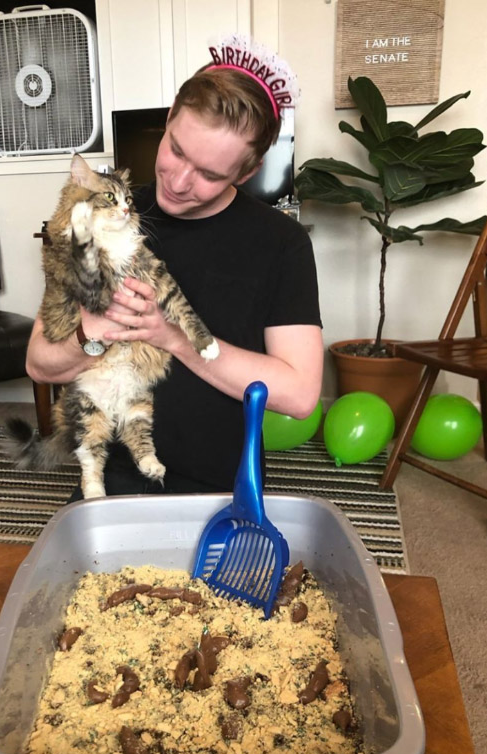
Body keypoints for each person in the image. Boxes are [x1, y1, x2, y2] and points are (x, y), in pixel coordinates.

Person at [26, 40, 323, 497]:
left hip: (224, 482)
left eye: (209, 174)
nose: (180, 183)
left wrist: (174, 338)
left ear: (246, 173)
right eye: (177, 151)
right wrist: (93, 330)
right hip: (117, 475)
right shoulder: (102, 218)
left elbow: (300, 395)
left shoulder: (282, 244)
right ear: (168, 120)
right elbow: (39, 364)